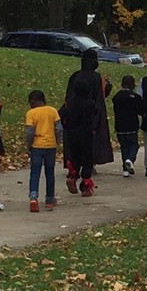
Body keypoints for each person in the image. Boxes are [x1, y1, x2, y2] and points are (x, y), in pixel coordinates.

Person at [61, 49, 112, 195]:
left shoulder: (74, 76)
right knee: (88, 156)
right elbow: (99, 104)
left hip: (72, 127)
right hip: (88, 127)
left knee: (75, 154)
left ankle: (73, 175)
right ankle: (85, 185)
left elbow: (66, 102)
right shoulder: (96, 78)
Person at [24, 88, 62, 211]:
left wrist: (29, 145)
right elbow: (59, 129)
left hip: (37, 146)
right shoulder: (53, 111)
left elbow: (30, 132)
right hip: (50, 146)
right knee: (50, 173)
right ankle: (50, 199)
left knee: (35, 172)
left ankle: (33, 197)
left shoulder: (31, 113)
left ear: (33, 101)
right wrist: (57, 141)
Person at [112, 76, 142, 177]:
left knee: (124, 147)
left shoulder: (117, 97)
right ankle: (130, 160)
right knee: (134, 145)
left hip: (120, 125)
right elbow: (140, 110)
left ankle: (125, 169)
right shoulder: (134, 97)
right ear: (133, 85)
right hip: (131, 125)